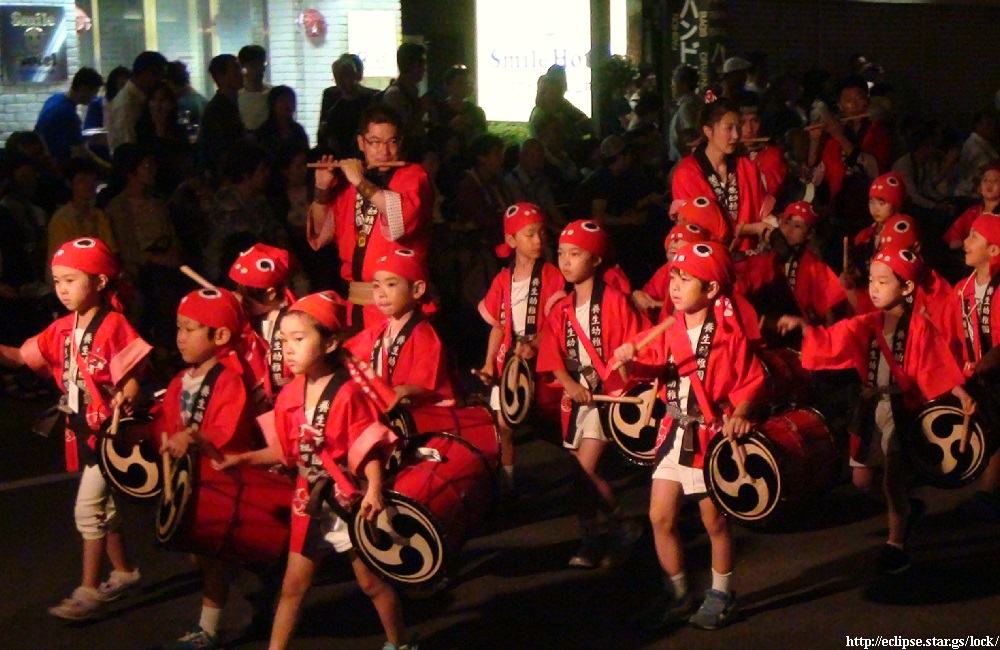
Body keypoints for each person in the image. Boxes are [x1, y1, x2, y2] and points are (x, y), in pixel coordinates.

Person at [213, 291, 419, 650]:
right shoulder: (288, 396)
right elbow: (286, 451)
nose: (287, 349)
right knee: (293, 586)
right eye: (282, 341)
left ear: (330, 343)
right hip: (308, 500)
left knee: (371, 583)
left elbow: (367, 447)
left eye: (298, 339)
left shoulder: (348, 393)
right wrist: (242, 459)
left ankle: (400, 643)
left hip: (348, 501)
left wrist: (373, 489)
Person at [779, 246, 974, 574]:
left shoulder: (919, 328)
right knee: (862, 480)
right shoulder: (865, 323)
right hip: (870, 406)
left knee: (893, 478)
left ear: (907, 287)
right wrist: (805, 328)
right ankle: (905, 509)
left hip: (900, 408)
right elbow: (832, 339)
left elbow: (934, 367)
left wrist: (959, 392)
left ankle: (896, 546)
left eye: (883, 282)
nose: (874, 288)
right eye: (872, 280)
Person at [614, 240, 766, 630]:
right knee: (659, 516)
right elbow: (648, 367)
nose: (675, 287)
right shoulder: (669, 327)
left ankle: (721, 594)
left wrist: (740, 414)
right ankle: (679, 592)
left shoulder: (728, 333)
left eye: (685, 280)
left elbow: (750, 379)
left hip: (708, 436)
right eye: (674, 278)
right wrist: (628, 359)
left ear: (712, 288)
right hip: (673, 432)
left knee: (714, 521)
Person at [0, 238, 151, 619]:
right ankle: (124, 571)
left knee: (88, 508)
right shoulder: (62, 328)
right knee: (104, 508)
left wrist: (128, 392)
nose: (62, 289)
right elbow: (22, 357)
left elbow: (133, 374)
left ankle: (88, 590)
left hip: (107, 435)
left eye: (71, 280)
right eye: (57, 281)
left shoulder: (114, 324)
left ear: (100, 281)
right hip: (81, 429)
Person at [536, 220, 647, 569]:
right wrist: (569, 385)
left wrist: (627, 370)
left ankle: (618, 525)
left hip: (606, 397)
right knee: (578, 478)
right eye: (561, 254)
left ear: (596, 259)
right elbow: (551, 355)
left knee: (583, 472)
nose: (565, 261)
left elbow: (638, 346)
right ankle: (596, 536)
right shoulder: (561, 309)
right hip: (578, 398)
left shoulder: (615, 301)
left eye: (575, 254)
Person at [159, 287, 258, 650]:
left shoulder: (229, 379)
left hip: (220, 483)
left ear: (220, 335)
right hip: (191, 482)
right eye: (179, 328)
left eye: (190, 329)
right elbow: (166, 424)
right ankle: (251, 586)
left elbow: (226, 431)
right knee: (202, 556)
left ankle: (208, 628)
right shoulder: (178, 382)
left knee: (211, 559)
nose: (180, 337)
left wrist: (193, 436)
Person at [307, 106, 434, 329]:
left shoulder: (413, 175)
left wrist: (359, 181)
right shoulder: (347, 185)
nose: (384, 151)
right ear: (361, 143)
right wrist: (321, 190)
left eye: (392, 142)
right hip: (356, 302)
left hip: (399, 304)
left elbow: (399, 218)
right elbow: (320, 234)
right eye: (375, 142)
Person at [477, 203, 567, 491]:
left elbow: (557, 321)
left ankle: (581, 477)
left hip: (543, 360)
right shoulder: (503, 280)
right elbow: (498, 326)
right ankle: (507, 484)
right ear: (511, 240)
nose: (538, 240)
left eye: (541, 233)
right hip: (510, 360)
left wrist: (536, 343)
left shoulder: (552, 274)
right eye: (530, 235)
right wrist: (489, 362)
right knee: (503, 429)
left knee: (555, 427)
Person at [346, 246, 454, 406]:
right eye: (376, 285)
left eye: (391, 285)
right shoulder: (378, 331)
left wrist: (403, 391)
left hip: (415, 412)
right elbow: (349, 355)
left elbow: (425, 383)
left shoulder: (424, 336)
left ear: (417, 289)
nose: (381, 293)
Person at [739, 201, 850, 345]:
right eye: (786, 222)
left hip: (799, 336)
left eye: (797, 226)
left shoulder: (814, 266)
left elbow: (830, 314)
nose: (789, 230)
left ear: (809, 234)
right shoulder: (768, 256)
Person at [671, 94, 770, 251]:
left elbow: (763, 212)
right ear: (708, 131)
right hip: (706, 257)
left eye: (738, 127)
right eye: (728, 128)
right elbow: (699, 223)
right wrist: (750, 228)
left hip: (747, 256)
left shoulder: (746, 167)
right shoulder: (687, 173)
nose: (736, 136)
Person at [952, 216, 1000, 518]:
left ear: (993, 250)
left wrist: (992, 358)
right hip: (975, 374)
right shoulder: (961, 289)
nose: (965, 243)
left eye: (974, 237)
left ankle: (988, 492)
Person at [811, 74, 892, 236]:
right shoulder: (831, 135)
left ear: (867, 101)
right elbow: (815, 171)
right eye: (848, 101)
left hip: (868, 214)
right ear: (840, 105)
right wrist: (815, 140)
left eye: (859, 98)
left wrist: (839, 136)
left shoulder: (878, 132)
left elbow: (873, 170)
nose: (854, 105)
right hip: (836, 213)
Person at [228, 242, 298, 403]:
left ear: (270, 293)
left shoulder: (296, 319)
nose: (242, 302)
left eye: (247, 299)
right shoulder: (253, 317)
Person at [632, 221, 711, 320]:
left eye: (679, 252)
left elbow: (681, 313)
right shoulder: (666, 270)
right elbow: (649, 294)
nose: (675, 257)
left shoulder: (700, 276)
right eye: (671, 252)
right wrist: (638, 297)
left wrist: (655, 304)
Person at [35, 67, 107, 169]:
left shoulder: (54, 99)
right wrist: (107, 167)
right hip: (55, 165)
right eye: (94, 93)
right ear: (83, 89)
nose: (94, 98)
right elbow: (82, 152)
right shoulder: (68, 114)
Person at [47, 157, 118, 261]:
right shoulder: (61, 220)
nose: (89, 185)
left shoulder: (100, 216)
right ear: (69, 183)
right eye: (82, 180)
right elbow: (59, 258)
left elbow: (111, 250)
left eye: (92, 180)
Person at [504, 138, 569, 235]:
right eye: (532, 155)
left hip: (546, 227)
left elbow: (552, 208)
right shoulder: (512, 181)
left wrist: (568, 227)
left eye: (540, 155)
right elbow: (526, 214)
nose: (537, 160)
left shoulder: (541, 178)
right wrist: (557, 229)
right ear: (521, 157)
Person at [198, 54, 246, 183]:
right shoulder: (217, 110)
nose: (241, 74)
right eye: (235, 70)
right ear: (220, 77)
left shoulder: (231, 105)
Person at [317, 54, 378, 157]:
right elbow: (323, 129)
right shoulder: (330, 96)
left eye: (346, 75)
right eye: (337, 77)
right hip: (335, 154)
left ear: (357, 75)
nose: (341, 81)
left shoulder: (372, 97)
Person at [107, 51, 168, 151]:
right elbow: (127, 147)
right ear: (148, 73)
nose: (160, 81)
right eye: (159, 76)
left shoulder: (139, 98)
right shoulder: (126, 104)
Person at [381, 42, 429, 147]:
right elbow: (399, 129)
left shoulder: (411, 90)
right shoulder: (395, 95)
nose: (425, 69)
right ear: (413, 66)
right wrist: (422, 110)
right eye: (422, 64)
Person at [944, 163, 1000, 249]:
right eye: (985, 180)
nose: (989, 183)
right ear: (980, 187)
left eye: (995, 181)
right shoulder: (973, 212)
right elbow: (954, 235)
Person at [954, 109, 1000, 198]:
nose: (991, 128)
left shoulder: (984, 143)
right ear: (977, 125)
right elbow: (989, 169)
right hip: (972, 192)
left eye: (992, 125)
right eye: (988, 125)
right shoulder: (973, 145)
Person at [253, 85, 310, 153]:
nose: (288, 104)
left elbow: (306, 152)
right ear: (273, 104)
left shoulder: (298, 130)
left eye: (291, 100)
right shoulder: (265, 131)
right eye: (282, 100)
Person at [667, 65, 701, 164]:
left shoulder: (687, 106)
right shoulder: (695, 101)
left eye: (674, 82)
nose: (672, 86)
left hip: (684, 161)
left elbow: (690, 136)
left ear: (684, 85)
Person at [237, 44, 271, 131]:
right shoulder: (236, 96)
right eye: (253, 65)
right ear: (243, 67)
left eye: (262, 64)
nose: (259, 69)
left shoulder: (273, 94)